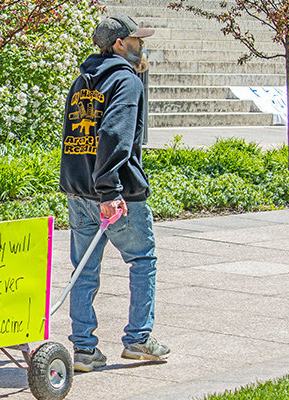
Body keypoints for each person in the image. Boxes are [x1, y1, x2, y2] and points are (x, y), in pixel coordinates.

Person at [59, 15, 170, 372]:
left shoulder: (82, 80)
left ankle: (84, 350)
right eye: (137, 40)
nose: (142, 46)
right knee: (142, 259)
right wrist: (110, 192)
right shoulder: (127, 80)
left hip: (79, 190)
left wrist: (84, 185)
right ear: (120, 44)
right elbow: (114, 136)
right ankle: (138, 339)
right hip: (114, 193)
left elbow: (75, 136)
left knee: (84, 270)